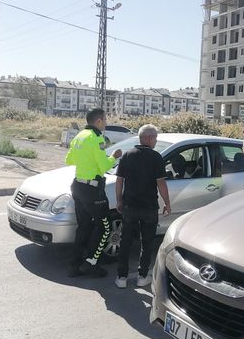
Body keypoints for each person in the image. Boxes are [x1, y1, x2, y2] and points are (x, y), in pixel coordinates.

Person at [65, 108, 122, 278]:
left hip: (77, 186)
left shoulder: (79, 136)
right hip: (92, 190)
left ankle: (74, 266)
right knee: (105, 228)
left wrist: (87, 162)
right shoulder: (97, 138)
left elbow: (69, 160)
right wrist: (114, 156)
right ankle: (91, 263)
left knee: (83, 226)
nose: (106, 122)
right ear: (98, 121)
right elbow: (105, 166)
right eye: (105, 119)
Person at [115, 124, 171, 289]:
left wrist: (119, 200)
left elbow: (120, 181)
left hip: (129, 206)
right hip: (149, 208)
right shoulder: (156, 158)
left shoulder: (126, 155)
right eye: (155, 138)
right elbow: (161, 184)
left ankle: (121, 277)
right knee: (147, 243)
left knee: (125, 242)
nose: (155, 141)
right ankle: (142, 276)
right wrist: (167, 203)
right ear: (149, 138)